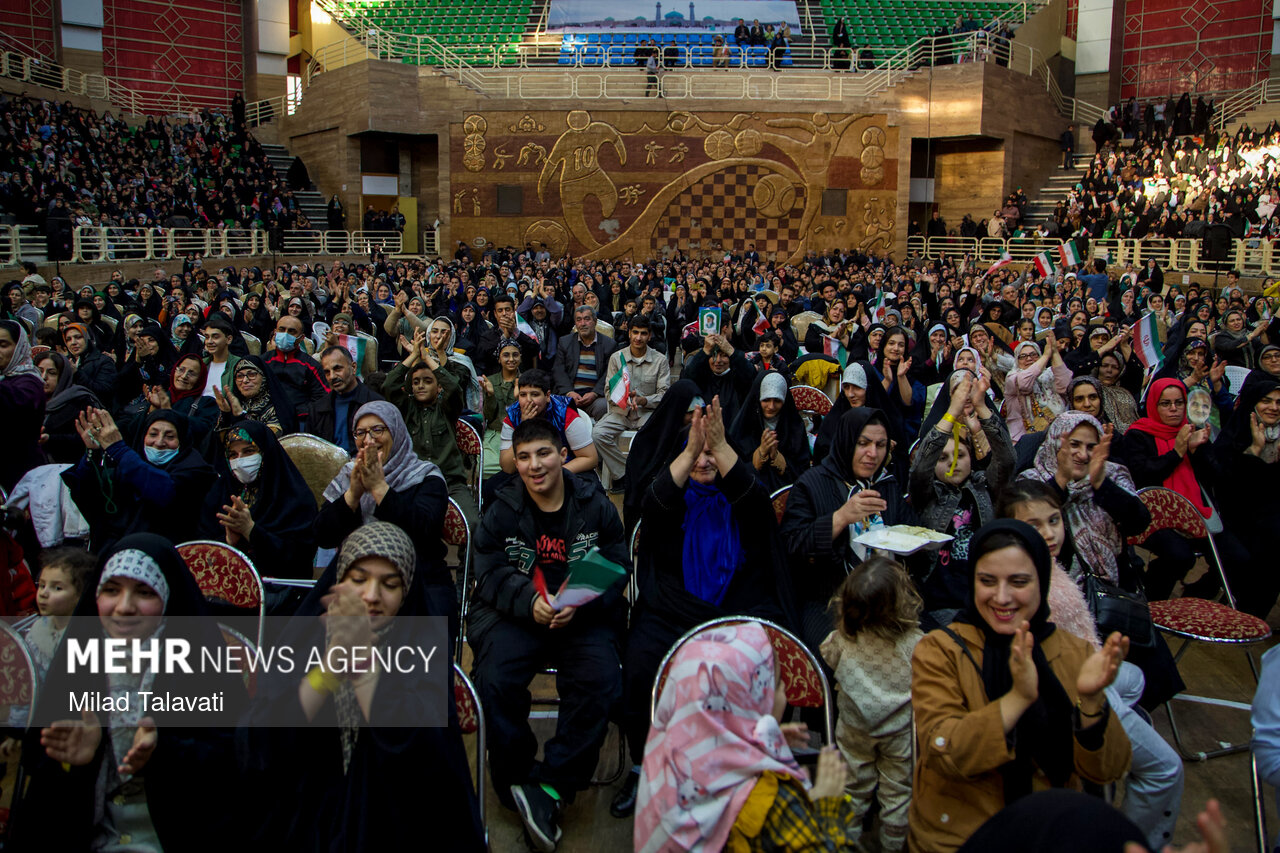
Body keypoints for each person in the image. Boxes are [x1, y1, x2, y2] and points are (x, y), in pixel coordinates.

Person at [237, 522, 486, 851]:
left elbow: (421, 759)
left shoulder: (421, 645)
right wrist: (330, 669)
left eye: (390, 585)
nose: (371, 596)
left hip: (397, 820)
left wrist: (364, 666)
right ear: (338, 582)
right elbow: (265, 742)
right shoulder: (305, 639)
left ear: (407, 591)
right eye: (358, 580)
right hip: (308, 813)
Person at [613, 397, 797, 818]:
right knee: (640, 664)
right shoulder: (671, 496)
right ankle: (644, 766)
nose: (704, 462)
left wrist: (718, 445)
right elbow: (650, 506)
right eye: (696, 454)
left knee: (757, 670)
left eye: (712, 454)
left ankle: (738, 769)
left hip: (735, 608)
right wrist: (692, 449)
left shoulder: (740, 496)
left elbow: (756, 502)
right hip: (671, 609)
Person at [908, 519, 1131, 853]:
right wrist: (1017, 699)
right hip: (962, 837)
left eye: (1019, 582)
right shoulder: (941, 650)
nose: (1001, 597)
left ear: (1042, 581)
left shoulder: (1074, 652)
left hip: (1049, 831)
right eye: (987, 581)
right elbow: (947, 753)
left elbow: (1109, 770)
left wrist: (1091, 703)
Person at [14, 534, 244, 852]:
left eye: (144, 592)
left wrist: (165, 750)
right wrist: (76, 763)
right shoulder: (79, 663)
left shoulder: (202, 666)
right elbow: (41, 776)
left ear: (166, 596)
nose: (124, 607)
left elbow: (237, 767)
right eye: (111, 590)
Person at [469, 418, 630, 851]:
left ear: (563, 455)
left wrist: (577, 599)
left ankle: (552, 787)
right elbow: (486, 567)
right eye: (523, 457)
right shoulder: (502, 507)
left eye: (543, 453)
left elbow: (615, 561)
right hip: (518, 616)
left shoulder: (593, 504)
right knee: (494, 680)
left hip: (582, 617)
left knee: (600, 681)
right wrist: (528, 601)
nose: (534, 465)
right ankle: (517, 781)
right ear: (514, 463)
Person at [1000, 480, 1184, 850]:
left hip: (1088, 663)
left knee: (1135, 678)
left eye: (1054, 520)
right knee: (1167, 769)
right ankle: (1126, 840)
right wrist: (1092, 702)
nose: (1049, 533)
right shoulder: (1028, 585)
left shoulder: (1045, 563)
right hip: (1076, 690)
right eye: (1034, 526)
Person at [634, 621, 857, 851]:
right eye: (778, 684)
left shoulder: (661, 769)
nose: (784, 693)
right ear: (750, 702)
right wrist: (827, 804)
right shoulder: (775, 804)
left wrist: (764, 739)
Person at [780, 407, 916, 653]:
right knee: (839, 658)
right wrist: (841, 517)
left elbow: (911, 532)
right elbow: (792, 545)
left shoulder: (886, 484)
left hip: (887, 598)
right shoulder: (812, 484)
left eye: (880, 445)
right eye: (862, 443)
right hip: (829, 598)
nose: (872, 454)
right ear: (845, 441)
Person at [317, 401, 457, 633]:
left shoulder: (424, 476)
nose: (369, 440)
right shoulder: (348, 475)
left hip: (420, 577)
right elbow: (323, 535)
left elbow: (424, 531)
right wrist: (353, 494)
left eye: (378, 430)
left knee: (430, 647)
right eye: (360, 432)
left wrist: (380, 488)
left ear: (396, 432)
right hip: (355, 577)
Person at [820, 557, 923, 852]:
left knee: (851, 788)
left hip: (854, 728)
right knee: (898, 791)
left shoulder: (842, 638)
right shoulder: (917, 643)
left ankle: (845, 842)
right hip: (899, 731)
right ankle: (893, 844)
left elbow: (828, 657)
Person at [1122, 378, 1252, 605]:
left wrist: (1196, 450)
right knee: (1179, 556)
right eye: (1165, 403)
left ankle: (1197, 597)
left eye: (1179, 403)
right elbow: (1142, 476)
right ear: (1154, 404)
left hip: (1195, 512)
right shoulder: (1138, 434)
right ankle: (1151, 605)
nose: (1173, 409)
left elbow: (1218, 476)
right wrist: (1178, 451)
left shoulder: (1193, 431)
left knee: (1239, 558)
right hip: (1154, 516)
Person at [910, 371, 1015, 626]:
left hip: (984, 596)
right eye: (943, 458)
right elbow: (921, 464)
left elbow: (1008, 459)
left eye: (960, 456)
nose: (953, 463)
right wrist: (952, 410)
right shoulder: (927, 492)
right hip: (937, 602)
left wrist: (980, 406)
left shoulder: (984, 487)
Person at [63, 408, 217, 554]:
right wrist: (92, 452)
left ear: (182, 439)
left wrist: (118, 449)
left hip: (163, 553)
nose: (159, 442)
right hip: (116, 555)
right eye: (153, 434)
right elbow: (88, 496)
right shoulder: (129, 464)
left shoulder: (196, 470)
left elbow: (163, 491)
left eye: (170, 437)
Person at [384, 327, 479, 532]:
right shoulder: (406, 409)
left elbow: (454, 387)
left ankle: (466, 563)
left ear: (438, 387)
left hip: (450, 483)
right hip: (413, 482)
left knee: (473, 525)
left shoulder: (447, 409)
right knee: (395, 524)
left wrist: (427, 358)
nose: (421, 386)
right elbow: (389, 385)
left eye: (428, 381)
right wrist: (414, 356)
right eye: (416, 382)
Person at [200, 420, 318, 580]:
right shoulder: (220, 492)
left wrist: (251, 531)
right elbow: (202, 548)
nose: (240, 461)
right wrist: (229, 542)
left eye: (248, 451)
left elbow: (298, 558)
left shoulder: (294, 497)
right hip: (226, 586)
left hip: (280, 590)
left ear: (266, 451)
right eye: (233, 455)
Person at [1214, 375, 1280, 617]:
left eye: (1279, 402)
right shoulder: (1238, 430)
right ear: (1253, 403)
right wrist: (1254, 451)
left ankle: (1255, 615)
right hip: (1235, 514)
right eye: (1266, 401)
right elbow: (1228, 485)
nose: (1273, 408)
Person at [592, 316, 670, 492]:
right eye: (635, 332)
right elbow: (608, 390)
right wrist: (622, 399)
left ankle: (646, 475)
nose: (638, 338)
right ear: (629, 333)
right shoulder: (616, 358)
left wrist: (644, 400)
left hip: (646, 413)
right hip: (620, 412)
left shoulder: (659, 360)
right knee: (597, 434)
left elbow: (665, 395)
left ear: (649, 336)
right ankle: (623, 474)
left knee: (659, 436)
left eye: (643, 333)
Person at [498, 369, 598, 476]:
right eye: (523, 395)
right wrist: (523, 427)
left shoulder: (564, 413)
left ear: (547, 396)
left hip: (565, 469)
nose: (528, 400)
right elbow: (507, 467)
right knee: (492, 487)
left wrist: (552, 474)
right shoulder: (513, 415)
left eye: (535, 394)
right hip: (527, 470)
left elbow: (590, 458)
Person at [729, 369, 809, 493]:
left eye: (777, 401)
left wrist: (780, 460)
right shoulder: (744, 426)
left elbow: (803, 470)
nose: (771, 407)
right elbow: (733, 471)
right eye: (766, 400)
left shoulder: (794, 427)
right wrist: (760, 454)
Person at [301, 346, 385, 454]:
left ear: (353, 368)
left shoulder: (376, 404)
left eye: (337, 369)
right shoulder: (317, 409)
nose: (332, 376)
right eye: (327, 372)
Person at [0, 320, 47, 490]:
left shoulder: (29, 382)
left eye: (3, 345)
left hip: (20, 474)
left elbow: (14, 405)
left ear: (19, 347)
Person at [552, 304, 617, 421]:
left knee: (603, 406)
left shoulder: (609, 344)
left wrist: (595, 393)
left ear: (595, 321)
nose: (582, 324)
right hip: (570, 395)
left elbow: (609, 373)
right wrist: (569, 393)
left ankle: (596, 438)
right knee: (555, 406)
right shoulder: (565, 342)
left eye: (587, 319)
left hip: (595, 398)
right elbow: (559, 370)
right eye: (579, 320)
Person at [37, 350, 102, 464]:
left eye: (52, 373)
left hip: (68, 470)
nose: (43, 377)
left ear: (62, 376)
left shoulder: (78, 400)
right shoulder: (29, 400)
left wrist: (51, 439)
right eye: (39, 371)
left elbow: (87, 440)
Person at [1004, 338, 1071, 443]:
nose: (1029, 359)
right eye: (1023, 356)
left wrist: (1054, 352)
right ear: (1017, 360)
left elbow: (1066, 386)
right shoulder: (1012, 377)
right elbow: (1024, 384)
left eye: (1034, 355)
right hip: (1024, 436)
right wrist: (1046, 355)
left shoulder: (1049, 373)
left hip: (1058, 432)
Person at [265, 313, 330, 421]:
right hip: (267, 418)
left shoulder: (311, 365)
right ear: (275, 333)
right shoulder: (264, 362)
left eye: (292, 331)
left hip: (300, 420)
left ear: (301, 338)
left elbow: (322, 397)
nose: (285, 334)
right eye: (282, 330)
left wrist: (301, 413)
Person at [682, 332, 756, 425]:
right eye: (713, 355)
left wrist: (730, 351)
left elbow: (750, 374)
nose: (718, 361)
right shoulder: (703, 378)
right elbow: (688, 377)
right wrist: (705, 350)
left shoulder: (737, 378)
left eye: (724, 355)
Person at [482, 339, 522, 478]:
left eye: (515, 355)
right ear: (499, 359)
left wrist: (519, 398)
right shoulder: (490, 381)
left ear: (520, 357)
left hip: (519, 435)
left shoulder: (526, 381)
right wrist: (490, 396)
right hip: (495, 433)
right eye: (506, 355)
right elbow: (488, 416)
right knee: (486, 469)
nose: (511, 359)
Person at [64, 320, 117, 411]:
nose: (73, 342)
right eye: (68, 339)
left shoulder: (103, 361)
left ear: (88, 338)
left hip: (97, 411)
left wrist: (77, 374)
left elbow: (104, 392)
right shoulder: (65, 362)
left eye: (78, 337)